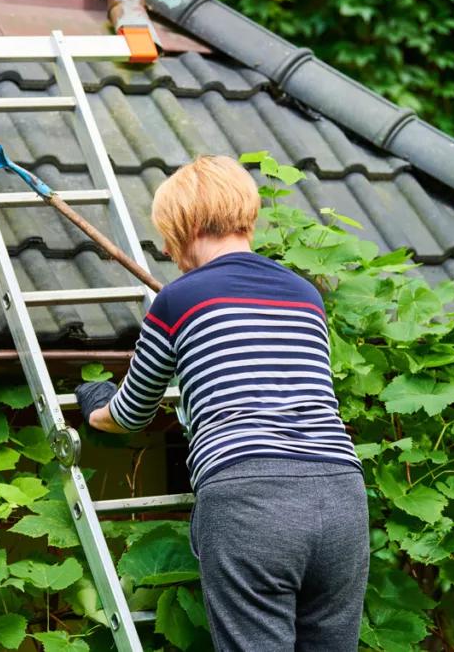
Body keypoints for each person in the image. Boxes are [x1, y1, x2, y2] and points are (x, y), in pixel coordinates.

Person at [74, 156, 369, 652]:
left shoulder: (177, 300)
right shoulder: (305, 295)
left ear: (184, 228)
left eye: (167, 238)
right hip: (341, 494)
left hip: (249, 499)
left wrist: (95, 405)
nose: (167, 251)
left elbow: (132, 413)